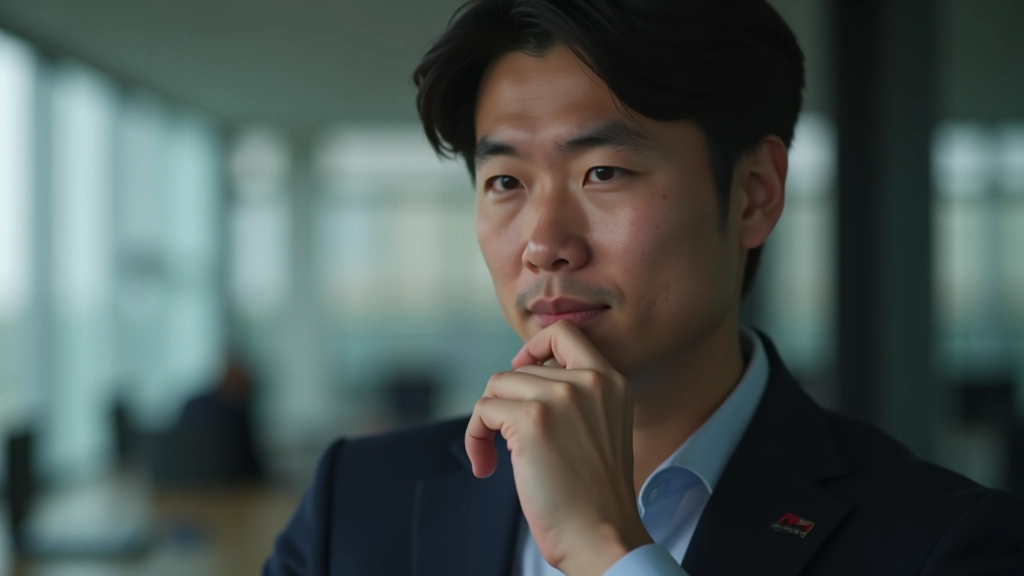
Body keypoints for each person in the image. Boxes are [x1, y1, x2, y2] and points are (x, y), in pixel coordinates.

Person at [264, 0, 1024, 574]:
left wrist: (614, 553)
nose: (544, 244)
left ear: (754, 193)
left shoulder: (942, 543)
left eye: (603, 172)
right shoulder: (356, 502)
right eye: (505, 181)